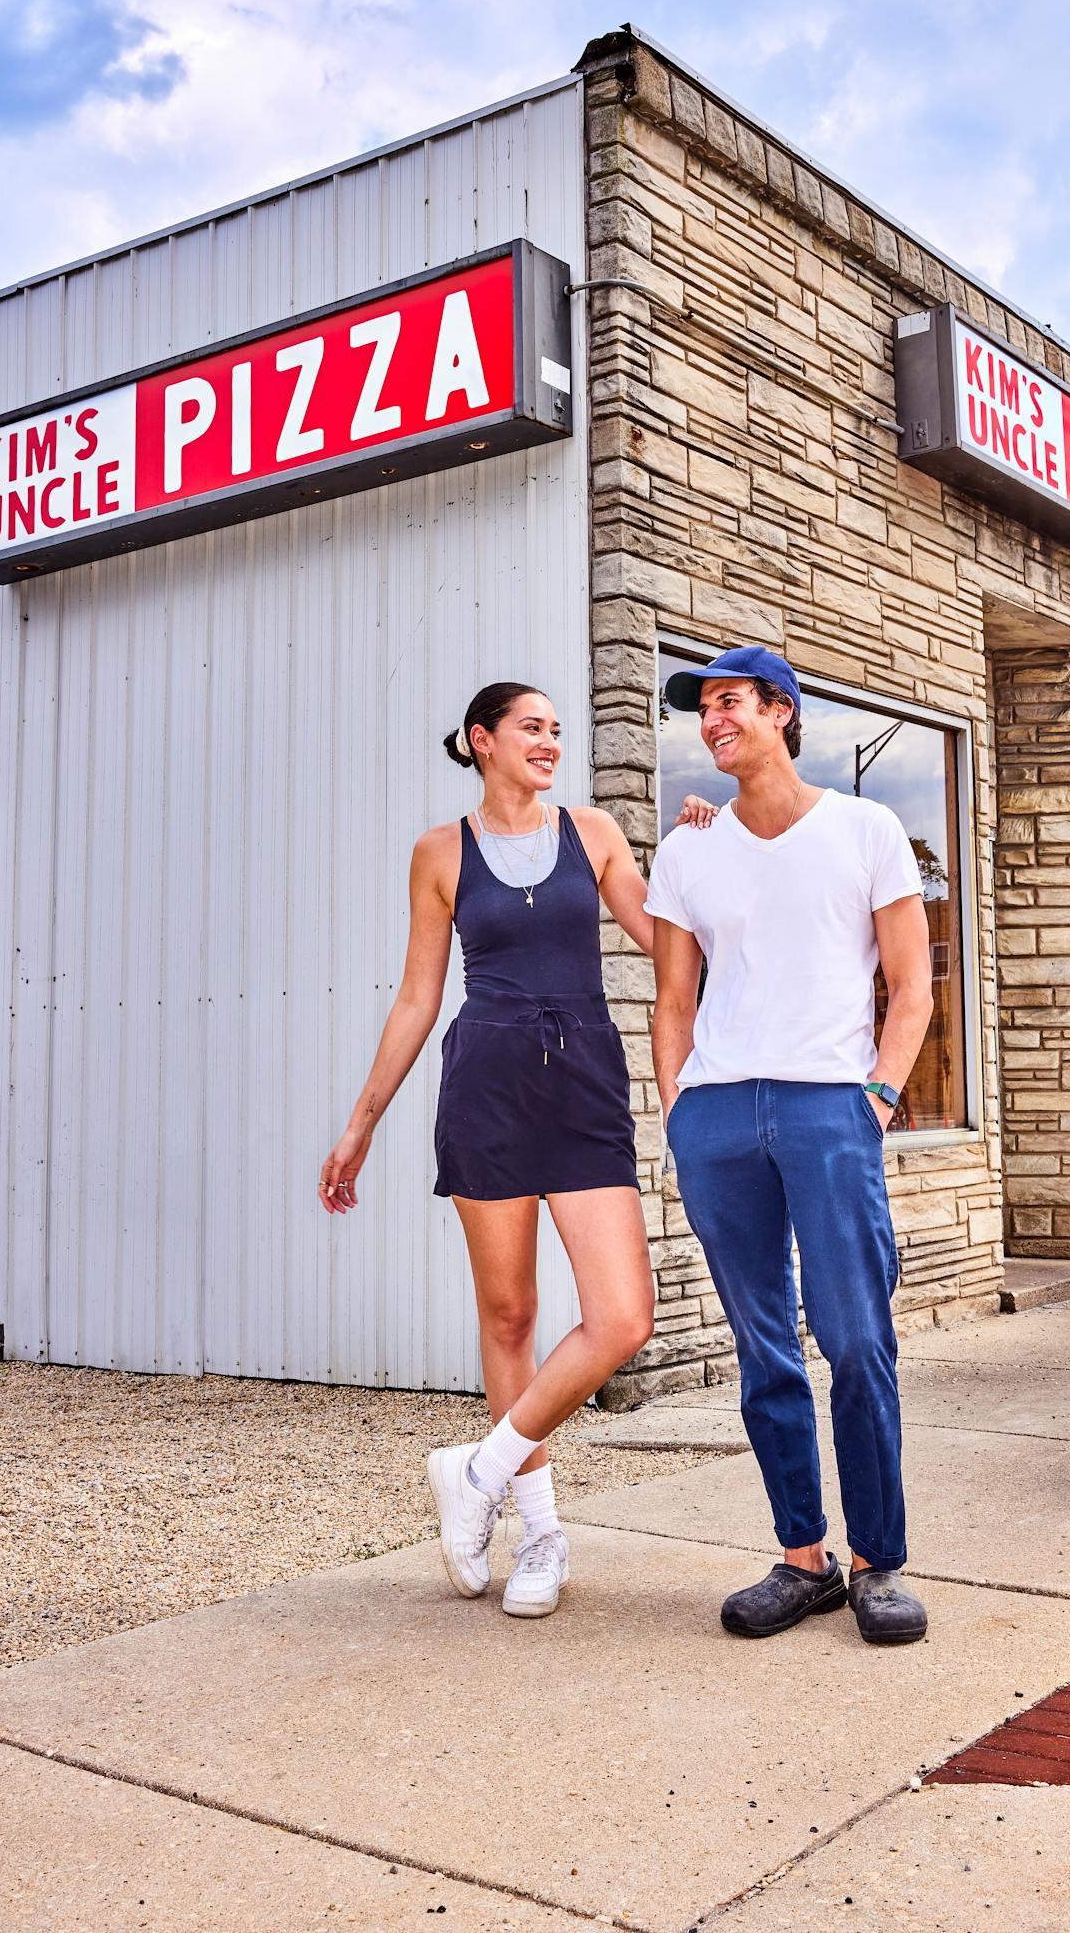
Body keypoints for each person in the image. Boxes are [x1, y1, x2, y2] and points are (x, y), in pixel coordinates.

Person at [320, 681, 712, 1619]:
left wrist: (704, 850)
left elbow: (667, 937)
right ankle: (539, 1530)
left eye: (556, 730)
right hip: (488, 1082)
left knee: (622, 1317)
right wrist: (362, 1121)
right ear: (480, 740)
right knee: (509, 1315)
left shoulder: (596, 832)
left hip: (583, 1081)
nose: (548, 741)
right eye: (530, 727)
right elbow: (419, 995)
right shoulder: (438, 852)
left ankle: (476, 1471)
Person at [647, 645, 935, 1645]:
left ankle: (876, 1562)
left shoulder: (865, 827)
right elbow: (671, 992)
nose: (711, 721)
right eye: (702, 710)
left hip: (828, 1110)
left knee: (854, 1336)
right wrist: (679, 1102)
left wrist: (876, 1098)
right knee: (763, 1345)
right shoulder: (686, 848)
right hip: (719, 1116)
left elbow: (912, 984)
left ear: (780, 711)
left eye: (728, 703)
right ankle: (801, 1555)